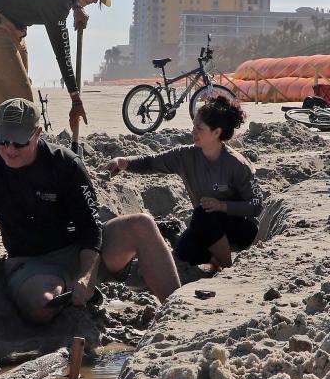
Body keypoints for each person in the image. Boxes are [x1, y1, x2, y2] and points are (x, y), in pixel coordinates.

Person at [0, 98, 179, 324]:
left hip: (84, 251)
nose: (10, 149)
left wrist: (87, 274)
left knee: (142, 224)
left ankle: (179, 310)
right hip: (32, 262)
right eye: (2, 140)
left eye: (19, 142)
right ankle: (76, 296)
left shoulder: (65, 163)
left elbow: (90, 226)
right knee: (41, 305)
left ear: (37, 134)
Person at [105, 96, 264, 270]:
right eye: (193, 125)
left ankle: (228, 267)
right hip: (207, 226)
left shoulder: (237, 164)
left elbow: (256, 205)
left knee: (203, 214)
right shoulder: (186, 156)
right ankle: (215, 261)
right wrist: (124, 162)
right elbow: (152, 162)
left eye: (199, 128)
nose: (193, 132)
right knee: (184, 251)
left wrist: (223, 206)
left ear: (216, 132)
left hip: (241, 230)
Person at [0, 0, 116, 131]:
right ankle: (13, 145)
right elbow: (62, 53)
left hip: (14, 30)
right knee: (21, 99)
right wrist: (76, 99)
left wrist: (76, 6)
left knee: (22, 95)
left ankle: (17, 138)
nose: (94, 0)